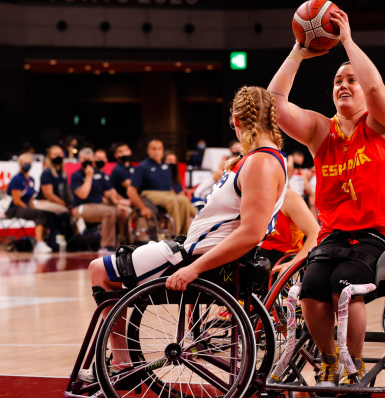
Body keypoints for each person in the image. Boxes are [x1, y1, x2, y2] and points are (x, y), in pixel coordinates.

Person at [82, 85, 287, 379]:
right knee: (114, 266)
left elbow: (251, 233)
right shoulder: (264, 158)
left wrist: (194, 270)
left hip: (196, 262)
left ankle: (122, 365)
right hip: (194, 254)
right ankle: (122, 363)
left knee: (98, 271)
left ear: (238, 122)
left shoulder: (260, 163)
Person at [267, 9, 385, 386]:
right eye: (337, 81)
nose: (344, 85)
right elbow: (274, 105)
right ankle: (331, 361)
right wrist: (298, 53)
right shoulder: (321, 130)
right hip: (335, 234)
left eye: (352, 79)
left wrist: (347, 41)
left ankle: (355, 366)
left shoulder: (384, 123)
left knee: (345, 286)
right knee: (312, 288)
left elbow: (378, 89)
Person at [128, 139, 198, 235]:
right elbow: (131, 190)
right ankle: (174, 235)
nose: (156, 151)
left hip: (167, 193)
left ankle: (185, 234)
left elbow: (172, 187)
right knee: (172, 201)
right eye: (154, 149)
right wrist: (142, 207)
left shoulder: (166, 166)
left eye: (159, 149)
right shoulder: (142, 167)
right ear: (148, 150)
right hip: (149, 193)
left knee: (184, 200)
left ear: (162, 150)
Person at [257, 188, 321, 290]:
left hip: (281, 257)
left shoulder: (289, 198)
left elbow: (316, 234)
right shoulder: (248, 195)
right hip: (257, 252)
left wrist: (293, 263)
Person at [70, 148, 128, 253]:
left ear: (92, 159)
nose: (87, 161)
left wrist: (117, 204)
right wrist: (89, 176)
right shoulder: (76, 176)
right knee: (108, 212)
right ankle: (107, 246)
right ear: (80, 160)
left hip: (100, 205)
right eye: (84, 159)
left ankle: (125, 243)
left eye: (89, 159)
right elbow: (83, 194)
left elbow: (108, 193)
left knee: (123, 212)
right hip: (81, 207)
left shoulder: (100, 174)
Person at [5, 153, 52, 253]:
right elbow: (17, 201)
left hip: (25, 207)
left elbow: (30, 200)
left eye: (29, 162)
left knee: (43, 213)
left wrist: (33, 208)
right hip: (15, 208)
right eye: (24, 162)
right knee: (38, 214)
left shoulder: (31, 179)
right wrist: (30, 210)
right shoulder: (17, 178)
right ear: (20, 164)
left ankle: (43, 240)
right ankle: (39, 243)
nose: (27, 164)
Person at [35, 145, 71, 215]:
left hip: (58, 203)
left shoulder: (63, 173)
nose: (58, 156)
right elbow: (49, 195)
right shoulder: (47, 173)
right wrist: (64, 204)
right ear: (49, 157)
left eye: (60, 154)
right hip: (45, 202)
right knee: (65, 211)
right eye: (55, 154)